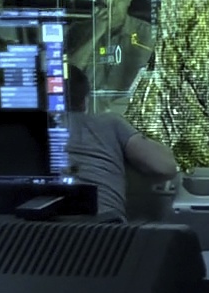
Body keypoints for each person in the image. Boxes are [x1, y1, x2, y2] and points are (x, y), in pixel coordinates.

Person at [64, 65, 179, 221]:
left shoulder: (33, 130)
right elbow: (165, 166)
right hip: (102, 226)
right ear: (84, 102)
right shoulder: (108, 124)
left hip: (38, 229)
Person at [71, 0, 155, 97]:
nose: (112, 9)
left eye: (118, 1)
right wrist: (94, 35)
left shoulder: (149, 34)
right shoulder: (78, 31)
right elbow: (67, 75)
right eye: (106, 3)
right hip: (89, 109)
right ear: (98, 1)